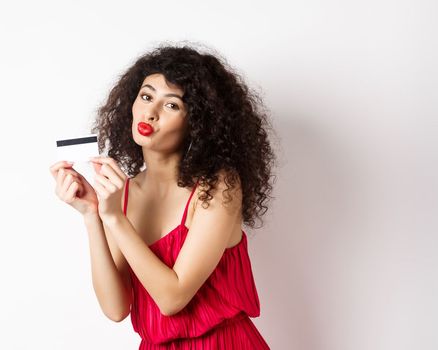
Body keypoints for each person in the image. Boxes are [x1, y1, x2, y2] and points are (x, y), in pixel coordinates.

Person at [49, 43, 276, 349]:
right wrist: (93, 215)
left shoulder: (218, 186)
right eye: (146, 96)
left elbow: (173, 297)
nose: (151, 112)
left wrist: (115, 218)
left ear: (197, 122)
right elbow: (116, 309)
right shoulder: (123, 193)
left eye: (172, 105)